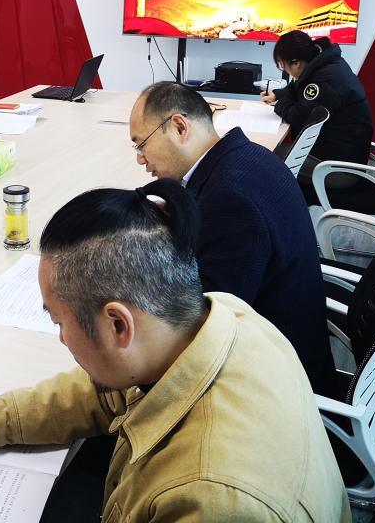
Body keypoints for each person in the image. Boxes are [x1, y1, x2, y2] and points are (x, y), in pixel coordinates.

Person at [0, 181, 350, 523]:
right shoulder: (217, 320)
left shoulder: (208, 498)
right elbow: (108, 392)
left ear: (118, 325)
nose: (61, 339)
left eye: (59, 322)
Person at [129, 81, 334, 396]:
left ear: (179, 127)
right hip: (288, 337)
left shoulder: (230, 201)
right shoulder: (246, 158)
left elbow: (204, 332)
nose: (140, 160)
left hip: (276, 381)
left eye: (141, 144)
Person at [262, 32, 373, 176]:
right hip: (341, 148)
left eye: (283, 65)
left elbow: (299, 117)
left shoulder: (324, 79)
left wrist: (280, 104)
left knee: (265, 159)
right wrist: (278, 94)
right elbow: (299, 86)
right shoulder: (323, 64)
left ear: (296, 63)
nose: (286, 71)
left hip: (339, 166)